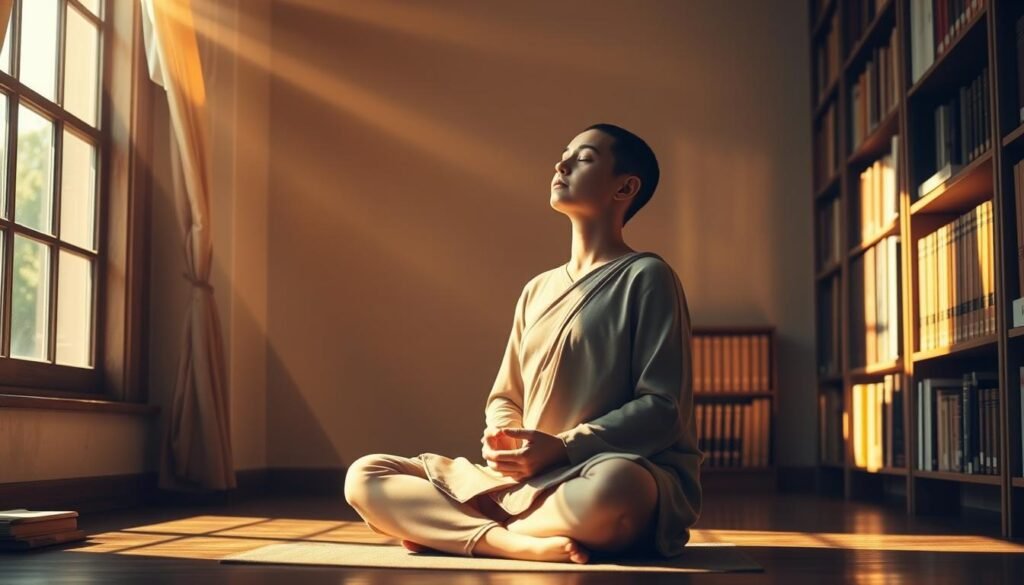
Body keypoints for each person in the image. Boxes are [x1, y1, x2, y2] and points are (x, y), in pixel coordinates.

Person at [344, 123, 703, 564]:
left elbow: (663, 408)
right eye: (564, 154)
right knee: (365, 474)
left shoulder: (647, 276)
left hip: (591, 472)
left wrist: (564, 447)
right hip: (517, 484)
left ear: (625, 187)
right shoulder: (537, 288)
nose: (562, 164)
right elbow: (505, 395)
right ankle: (508, 542)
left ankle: (451, 530)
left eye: (584, 158)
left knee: (618, 489)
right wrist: (503, 436)